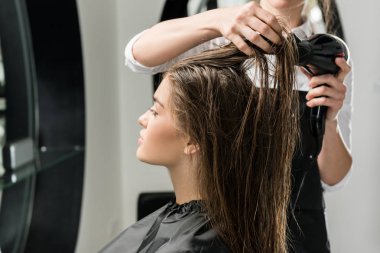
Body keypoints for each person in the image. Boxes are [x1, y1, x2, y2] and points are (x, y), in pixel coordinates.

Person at [124, 1, 353, 252]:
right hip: (226, 229)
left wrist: (329, 121)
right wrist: (217, 21)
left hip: (300, 234)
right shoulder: (220, 36)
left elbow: (334, 178)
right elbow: (137, 56)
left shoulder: (326, 58)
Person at [100, 30, 300, 252]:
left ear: (193, 140)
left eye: (155, 111)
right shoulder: (207, 227)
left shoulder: (196, 244)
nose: (142, 119)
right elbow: (135, 51)